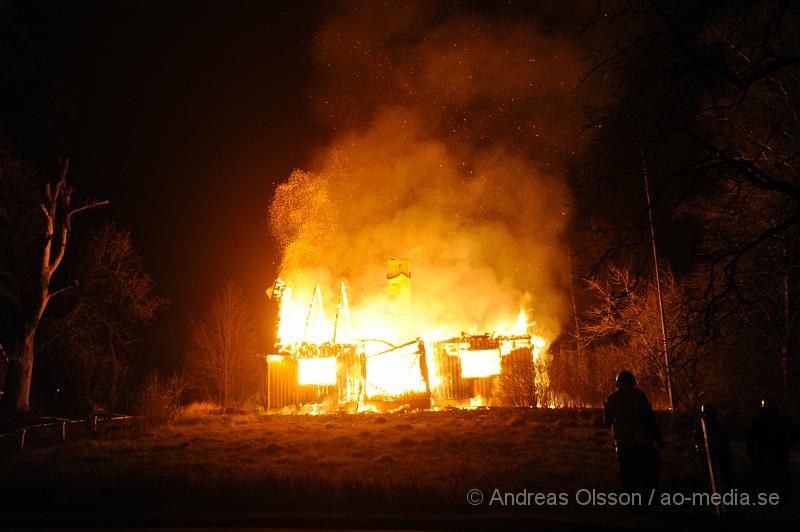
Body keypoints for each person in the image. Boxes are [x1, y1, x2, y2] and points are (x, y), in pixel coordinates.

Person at [604, 370, 663, 494]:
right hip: (642, 443)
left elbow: (607, 422)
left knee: (627, 477)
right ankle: (650, 502)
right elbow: (649, 420)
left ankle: (631, 504)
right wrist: (658, 439)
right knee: (649, 474)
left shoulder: (610, 399)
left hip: (622, 445)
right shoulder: (639, 396)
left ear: (617, 383)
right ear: (633, 382)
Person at [746, 398, 799, 487]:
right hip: (774, 455)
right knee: (776, 483)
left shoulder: (760, 419)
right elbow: (796, 433)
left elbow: (751, 439)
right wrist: (789, 445)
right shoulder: (781, 418)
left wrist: (751, 455)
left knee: (770, 483)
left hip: (770, 455)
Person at [693, 403, 733, 489]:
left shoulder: (702, 424)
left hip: (715, 455)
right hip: (711, 455)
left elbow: (724, 439)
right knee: (717, 478)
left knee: (716, 478)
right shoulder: (703, 425)